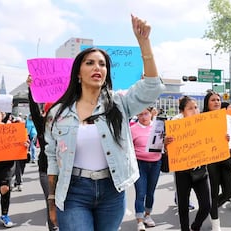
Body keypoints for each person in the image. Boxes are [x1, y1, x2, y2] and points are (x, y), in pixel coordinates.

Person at [44, 14, 165, 231]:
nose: (96, 67)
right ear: (78, 73)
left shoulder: (118, 103)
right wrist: (52, 202)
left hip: (112, 191)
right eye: (89, 63)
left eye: (102, 64)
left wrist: (144, 43)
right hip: (73, 193)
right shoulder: (58, 113)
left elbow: (152, 87)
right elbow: (52, 156)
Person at [165, 96, 210, 231]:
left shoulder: (204, 123)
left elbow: (212, 141)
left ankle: (196, 226)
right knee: (183, 205)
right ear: (182, 111)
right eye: (190, 108)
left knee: (206, 206)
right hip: (182, 171)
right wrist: (166, 143)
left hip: (200, 169)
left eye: (195, 107)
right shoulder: (175, 125)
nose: (194, 110)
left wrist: (223, 139)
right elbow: (168, 151)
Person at [203, 90, 231, 231]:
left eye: (218, 99)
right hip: (211, 159)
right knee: (213, 191)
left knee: (229, 191)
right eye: (213, 100)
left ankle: (209, 208)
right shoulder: (202, 119)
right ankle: (215, 223)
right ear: (207, 103)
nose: (216, 102)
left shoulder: (227, 118)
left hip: (226, 156)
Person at [27, 76, 58, 231]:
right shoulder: (41, 125)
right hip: (46, 170)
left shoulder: (69, 124)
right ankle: (53, 228)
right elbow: (33, 108)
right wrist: (31, 89)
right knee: (51, 201)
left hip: (67, 170)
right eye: (49, 111)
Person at [130, 107, 161, 231]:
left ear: (151, 114)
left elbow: (165, 144)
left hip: (155, 163)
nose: (144, 117)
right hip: (139, 164)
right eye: (140, 114)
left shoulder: (158, 127)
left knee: (150, 192)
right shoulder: (132, 129)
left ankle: (148, 215)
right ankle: (140, 221)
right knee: (141, 192)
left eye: (146, 114)